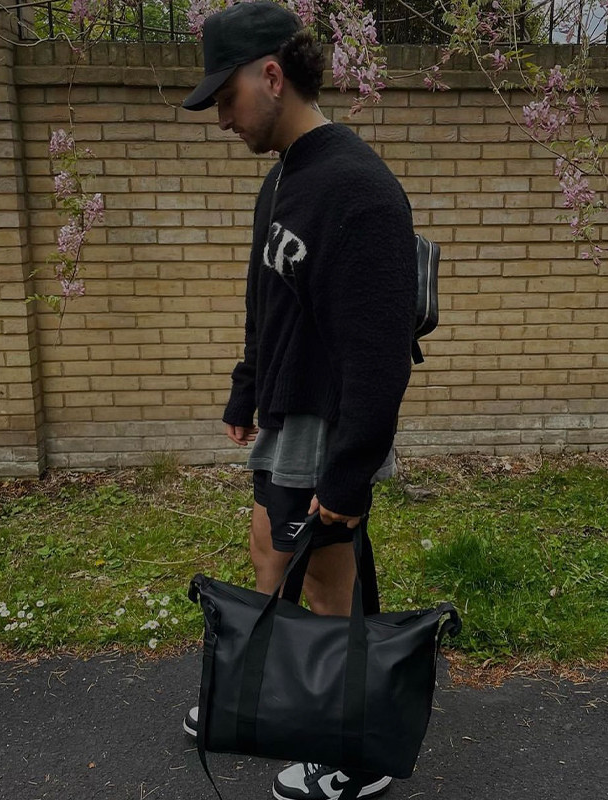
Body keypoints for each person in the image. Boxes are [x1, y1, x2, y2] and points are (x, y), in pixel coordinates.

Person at [181, 3, 417, 799]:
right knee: (273, 553)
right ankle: (281, 695)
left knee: (321, 580)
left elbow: (380, 355)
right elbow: (267, 301)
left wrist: (349, 476)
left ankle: (354, 750)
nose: (222, 119)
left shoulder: (359, 190)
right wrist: (247, 387)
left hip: (330, 423)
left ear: (272, 76)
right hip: (286, 413)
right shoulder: (284, 178)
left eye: (227, 98)